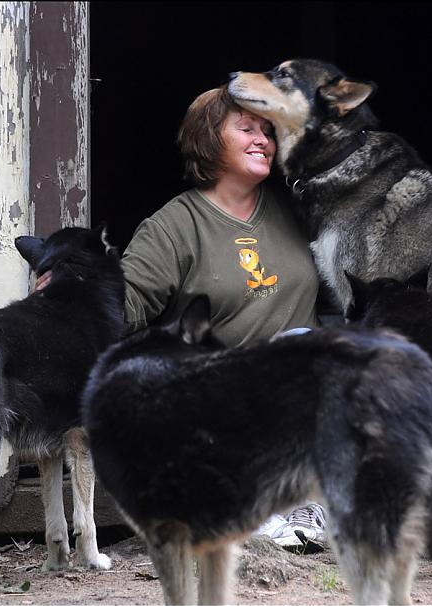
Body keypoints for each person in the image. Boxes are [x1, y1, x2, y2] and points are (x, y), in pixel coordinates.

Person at [34, 85, 327, 548]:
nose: (263, 141)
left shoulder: (299, 211)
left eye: (268, 132)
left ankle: (303, 507)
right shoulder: (172, 227)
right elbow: (121, 308)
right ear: (210, 139)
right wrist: (70, 292)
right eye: (246, 128)